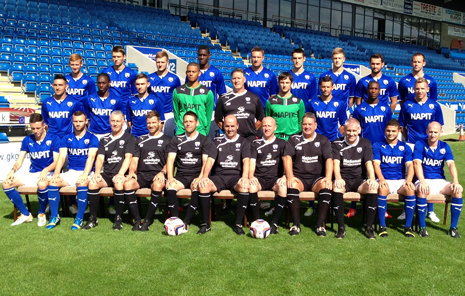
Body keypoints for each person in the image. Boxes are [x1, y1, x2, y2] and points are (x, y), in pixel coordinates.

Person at [190, 115, 250, 235]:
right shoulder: (217, 141)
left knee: (244, 187)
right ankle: (206, 224)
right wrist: (205, 176)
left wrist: (244, 177)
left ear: (237, 126)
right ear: (223, 126)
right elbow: (210, 160)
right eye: (227, 126)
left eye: (232, 126)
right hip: (219, 177)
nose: (230, 128)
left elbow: (246, 161)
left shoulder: (244, 141)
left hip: (235, 177)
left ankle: (238, 224)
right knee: (203, 186)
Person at [398, 77, 444, 222]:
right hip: (411, 144)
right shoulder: (407, 105)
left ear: (427, 89)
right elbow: (402, 126)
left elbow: (438, 126)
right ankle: (407, 209)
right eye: (417, 88)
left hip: (428, 146)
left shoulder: (435, 106)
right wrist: (409, 140)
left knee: (428, 175)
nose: (419, 91)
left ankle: (430, 211)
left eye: (422, 88)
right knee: (409, 177)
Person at [2, 113, 60, 226]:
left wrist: (46, 170)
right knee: (6, 183)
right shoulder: (27, 140)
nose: (35, 131)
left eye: (38, 128)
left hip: (49, 173)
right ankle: (26, 214)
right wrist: (11, 171)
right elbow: (19, 161)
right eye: (33, 128)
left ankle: (41, 212)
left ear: (44, 126)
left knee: (42, 184)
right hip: (33, 173)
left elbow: (57, 161)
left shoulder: (54, 138)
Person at [82, 110, 136, 230]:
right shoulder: (104, 139)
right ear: (109, 122)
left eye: (118, 121)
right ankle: (93, 218)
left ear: (123, 122)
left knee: (118, 183)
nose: (115, 123)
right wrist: (96, 172)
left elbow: (128, 157)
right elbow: (100, 158)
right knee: (92, 183)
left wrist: (121, 173)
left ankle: (118, 218)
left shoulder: (129, 137)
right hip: (107, 174)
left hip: (122, 174)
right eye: (113, 121)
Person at [282, 113, 333, 236]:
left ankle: (320, 225)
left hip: (317, 178)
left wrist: (328, 178)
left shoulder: (323, 140)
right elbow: (287, 157)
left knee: (326, 186)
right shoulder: (294, 139)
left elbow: (329, 160)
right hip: (300, 177)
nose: (307, 126)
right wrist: (289, 176)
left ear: (315, 125)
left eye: (310, 124)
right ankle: (296, 225)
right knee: (292, 185)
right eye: (304, 124)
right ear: (301, 125)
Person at [48, 111, 99, 230]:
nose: (78, 124)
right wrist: (56, 173)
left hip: (87, 171)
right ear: (72, 122)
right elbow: (61, 157)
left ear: (86, 122)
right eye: (75, 121)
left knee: (82, 182)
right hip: (71, 172)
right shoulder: (67, 138)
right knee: (52, 182)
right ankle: (54, 216)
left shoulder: (92, 138)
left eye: (81, 121)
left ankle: (79, 217)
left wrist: (85, 174)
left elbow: (91, 157)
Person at [351, 81, 393, 218]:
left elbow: (389, 127)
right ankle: (353, 207)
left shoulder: (385, 108)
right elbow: (355, 127)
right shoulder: (359, 109)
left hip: (381, 147)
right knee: (359, 175)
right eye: (371, 88)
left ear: (379, 91)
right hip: (364, 146)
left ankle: (383, 207)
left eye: (376, 89)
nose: (373, 91)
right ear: (367, 90)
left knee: (381, 175)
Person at [123, 111, 171, 231]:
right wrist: (132, 172)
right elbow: (134, 160)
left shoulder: (167, 140)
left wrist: (162, 172)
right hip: (142, 174)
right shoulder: (140, 139)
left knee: (158, 185)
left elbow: (170, 161)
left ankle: (147, 220)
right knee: (128, 184)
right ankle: (137, 220)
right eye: (149, 123)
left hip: (158, 175)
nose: (151, 125)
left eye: (154, 122)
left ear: (160, 123)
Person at [164, 111, 212, 233]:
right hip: (181, 175)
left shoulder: (204, 140)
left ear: (197, 123)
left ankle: (186, 222)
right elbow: (170, 159)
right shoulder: (176, 139)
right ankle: (175, 220)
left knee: (197, 187)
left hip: (196, 175)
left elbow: (206, 161)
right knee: (170, 187)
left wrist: (201, 177)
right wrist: (170, 177)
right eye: (186, 121)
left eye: (191, 121)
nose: (188, 124)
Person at [413, 121, 462, 238]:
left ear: (441, 132)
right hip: (423, 179)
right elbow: (416, 164)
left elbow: (451, 164)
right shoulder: (420, 144)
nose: (433, 135)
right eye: (430, 132)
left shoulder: (445, 146)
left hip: (440, 181)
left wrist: (455, 181)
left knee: (458, 191)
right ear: (426, 132)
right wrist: (422, 181)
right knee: (422, 189)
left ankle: (453, 228)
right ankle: (422, 227)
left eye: (435, 132)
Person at [331, 118, 379, 239]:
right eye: (348, 130)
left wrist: (372, 178)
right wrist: (338, 178)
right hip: (343, 179)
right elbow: (335, 163)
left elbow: (369, 163)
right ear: (345, 130)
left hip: (359, 180)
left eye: (354, 130)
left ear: (359, 130)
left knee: (372, 188)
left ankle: (369, 227)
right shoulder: (336, 143)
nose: (351, 133)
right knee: (337, 188)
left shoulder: (365, 143)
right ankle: (341, 227)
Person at [372, 119, 416, 237]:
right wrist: (381, 179)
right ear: (384, 131)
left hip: (399, 180)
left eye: (393, 131)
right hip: (384, 179)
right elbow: (376, 164)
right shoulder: (377, 145)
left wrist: (408, 180)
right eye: (388, 131)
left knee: (410, 190)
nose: (390, 133)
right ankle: (382, 225)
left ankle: (408, 226)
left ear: (399, 131)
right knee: (382, 189)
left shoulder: (405, 147)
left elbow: (410, 165)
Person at [248, 117, 287, 230]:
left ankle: (274, 223)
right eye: (264, 125)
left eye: (269, 126)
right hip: (259, 178)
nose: (266, 128)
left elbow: (286, 162)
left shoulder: (282, 143)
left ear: (275, 128)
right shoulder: (255, 143)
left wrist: (284, 176)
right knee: (251, 186)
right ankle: (256, 221)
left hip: (275, 179)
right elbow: (252, 162)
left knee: (283, 187)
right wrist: (251, 176)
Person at [215, 68, 264, 142]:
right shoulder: (223, 99)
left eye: (239, 78)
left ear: (244, 79)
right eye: (234, 78)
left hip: (249, 139)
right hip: (231, 139)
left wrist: (253, 129)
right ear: (231, 81)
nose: (236, 81)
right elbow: (218, 119)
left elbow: (260, 118)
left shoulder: (254, 98)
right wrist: (227, 130)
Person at [172, 62, 214, 136]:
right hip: (182, 132)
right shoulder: (177, 91)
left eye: (194, 72)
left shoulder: (208, 93)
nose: (191, 74)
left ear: (199, 73)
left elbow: (208, 116)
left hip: (200, 132)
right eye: (189, 71)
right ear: (186, 73)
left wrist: (205, 132)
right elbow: (176, 113)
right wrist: (179, 127)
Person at [196, 45, 227, 139]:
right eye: (200, 55)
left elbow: (222, 95)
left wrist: (218, 111)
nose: (202, 57)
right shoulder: (193, 72)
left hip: (212, 112)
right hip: (196, 110)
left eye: (204, 55)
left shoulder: (216, 73)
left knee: (211, 139)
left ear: (209, 56)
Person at [83, 73, 126, 140]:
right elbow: (86, 118)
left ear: (109, 83)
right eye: (99, 83)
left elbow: (121, 119)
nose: (101, 85)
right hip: (93, 134)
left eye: (104, 83)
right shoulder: (89, 99)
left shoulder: (117, 100)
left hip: (110, 134)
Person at [148, 50, 181, 137]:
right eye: (158, 62)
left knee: (168, 139)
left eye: (162, 62)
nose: (160, 64)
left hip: (168, 113)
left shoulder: (174, 78)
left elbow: (179, 98)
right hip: (153, 113)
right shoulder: (150, 78)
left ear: (167, 62)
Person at [41, 74, 84, 138]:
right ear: (52, 86)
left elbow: (79, 122)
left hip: (68, 139)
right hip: (52, 139)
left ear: (66, 86)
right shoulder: (46, 103)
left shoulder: (75, 103)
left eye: (60, 85)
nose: (57, 88)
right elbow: (45, 122)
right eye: (55, 85)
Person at [265, 72, 305, 140]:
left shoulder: (299, 102)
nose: (284, 85)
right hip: (276, 138)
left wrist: (296, 134)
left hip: (293, 139)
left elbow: (301, 122)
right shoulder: (270, 102)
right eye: (282, 82)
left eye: (287, 82)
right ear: (278, 83)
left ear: (291, 83)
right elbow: (268, 120)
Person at [307, 76, 347, 142]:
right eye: (323, 87)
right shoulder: (312, 103)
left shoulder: (340, 103)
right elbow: (308, 121)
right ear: (320, 87)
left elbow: (344, 124)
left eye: (328, 87)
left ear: (332, 87)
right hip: (317, 139)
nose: (325, 89)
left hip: (333, 140)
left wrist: (337, 136)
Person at [127, 73, 165, 138]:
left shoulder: (156, 100)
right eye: (138, 84)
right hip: (135, 136)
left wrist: (156, 135)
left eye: (142, 84)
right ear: (135, 85)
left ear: (148, 84)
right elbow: (129, 121)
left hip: (150, 136)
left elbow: (161, 121)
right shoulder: (130, 101)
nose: (140, 86)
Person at [101, 46, 137, 111]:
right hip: (110, 106)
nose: (116, 59)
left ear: (124, 57)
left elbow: (135, 94)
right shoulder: (105, 72)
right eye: (114, 57)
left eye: (119, 57)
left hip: (125, 107)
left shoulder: (131, 73)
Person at [244, 47, 278, 111]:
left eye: (258, 57)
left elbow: (273, 95)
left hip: (264, 110)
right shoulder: (244, 73)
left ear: (263, 58)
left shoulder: (270, 74)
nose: (256, 59)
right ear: (251, 57)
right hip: (247, 109)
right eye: (254, 57)